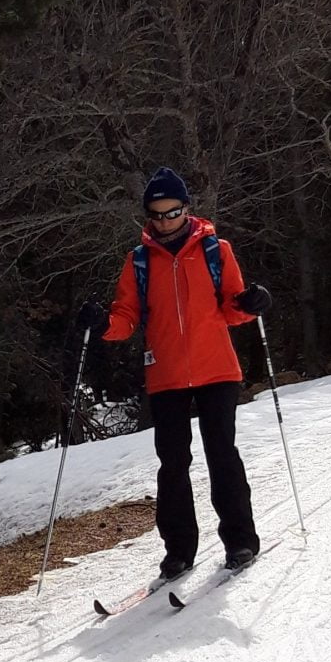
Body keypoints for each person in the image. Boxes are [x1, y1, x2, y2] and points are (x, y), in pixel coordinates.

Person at [101, 167, 271, 582]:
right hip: (167, 373)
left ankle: (240, 540)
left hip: (217, 369)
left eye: (172, 212)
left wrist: (251, 304)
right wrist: (102, 325)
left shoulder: (216, 249)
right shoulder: (139, 260)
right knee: (173, 464)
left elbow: (232, 308)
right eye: (157, 214)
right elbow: (126, 316)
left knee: (222, 454)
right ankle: (178, 551)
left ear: (186, 209)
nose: (165, 221)